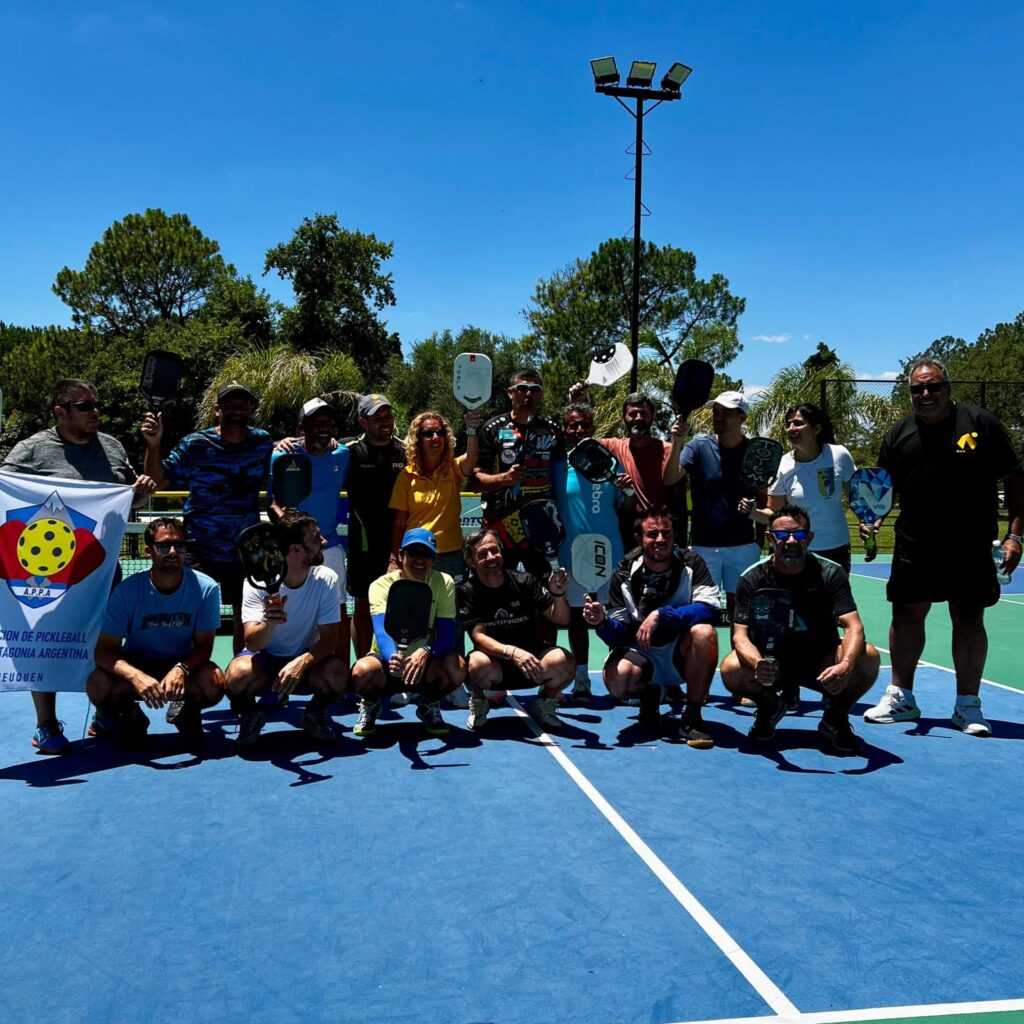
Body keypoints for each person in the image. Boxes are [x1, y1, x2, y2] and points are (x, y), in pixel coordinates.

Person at [862, 357, 1024, 737]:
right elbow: (883, 490)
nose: (926, 394)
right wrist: (877, 519)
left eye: (933, 386)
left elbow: (1016, 477)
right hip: (914, 543)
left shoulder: (979, 424)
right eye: (918, 388)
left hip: (970, 544)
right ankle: (901, 697)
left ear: (947, 388)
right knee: (905, 618)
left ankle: (967, 705)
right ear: (910, 393)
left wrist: (1015, 534)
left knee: (968, 620)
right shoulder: (898, 434)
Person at [0, 377, 157, 754]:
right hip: (45, 574)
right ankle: (46, 725)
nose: (95, 412)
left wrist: (140, 493)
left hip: (100, 570)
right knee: (43, 641)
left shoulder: (112, 448)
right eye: (84, 406)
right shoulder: (31, 451)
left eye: (95, 404)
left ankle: (104, 713)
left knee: (103, 641)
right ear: (60, 412)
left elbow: (126, 501)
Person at [721, 504, 880, 753]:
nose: (792, 541)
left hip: (820, 662)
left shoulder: (831, 573)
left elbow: (854, 627)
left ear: (810, 538)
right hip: (772, 662)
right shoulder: (751, 578)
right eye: (783, 535)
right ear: (770, 538)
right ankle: (770, 707)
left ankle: (835, 718)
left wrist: (846, 665)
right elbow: (739, 636)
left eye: (800, 534)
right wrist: (758, 664)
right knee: (731, 668)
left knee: (868, 657)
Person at [142, 381, 272, 654]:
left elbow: (288, 457)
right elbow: (157, 479)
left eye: (244, 405)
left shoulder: (263, 442)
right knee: (191, 618)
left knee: (246, 618)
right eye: (230, 404)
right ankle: (187, 678)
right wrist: (154, 445)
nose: (238, 409)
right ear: (217, 410)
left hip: (245, 550)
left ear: (251, 411)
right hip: (199, 548)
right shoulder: (195, 444)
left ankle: (241, 677)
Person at [583, 506, 719, 748]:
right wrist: (601, 622)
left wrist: (661, 615)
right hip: (641, 651)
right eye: (652, 534)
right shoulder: (623, 572)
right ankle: (651, 695)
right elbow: (619, 634)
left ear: (675, 536)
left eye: (666, 533)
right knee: (618, 681)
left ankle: (692, 716)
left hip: (679, 651)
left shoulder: (692, 563)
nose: (660, 539)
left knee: (705, 632)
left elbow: (709, 608)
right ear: (639, 538)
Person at [86, 518, 224, 746]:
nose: (173, 552)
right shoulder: (126, 592)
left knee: (214, 682)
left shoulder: (206, 588)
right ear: (149, 551)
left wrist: (181, 668)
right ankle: (131, 716)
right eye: (163, 546)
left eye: (179, 546)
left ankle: (186, 711)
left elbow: (203, 647)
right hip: (138, 662)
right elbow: (103, 651)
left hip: (182, 664)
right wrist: (136, 676)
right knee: (97, 684)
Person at [223, 510, 348, 746]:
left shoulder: (328, 578)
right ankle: (251, 714)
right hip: (265, 660)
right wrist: (270, 623)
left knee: (338, 674)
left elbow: (330, 641)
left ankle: (315, 713)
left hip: (307, 662)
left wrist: (300, 662)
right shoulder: (257, 583)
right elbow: (252, 643)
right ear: (295, 550)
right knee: (235, 677)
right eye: (316, 538)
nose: (323, 542)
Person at [350, 528, 464, 738]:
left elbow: (447, 636)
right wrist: (391, 657)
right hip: (387, 660)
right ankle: (371, 704)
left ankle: (429, 703)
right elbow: (381, 631)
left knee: (457, 667)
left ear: (434, 559)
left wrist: (426, 651)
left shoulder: (444, 583)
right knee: (361, 673)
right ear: (401, 555)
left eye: (426, 554)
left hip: (423, 663)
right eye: (413, 553)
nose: (419, 560)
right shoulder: (380, 585)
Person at [458, 528, 574, 731]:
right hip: (496, 666)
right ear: (470, 562)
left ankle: (545, 701)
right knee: (474, 664)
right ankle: (479, 702)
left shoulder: (525, 581)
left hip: (533, 664)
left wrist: (558, 594)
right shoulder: (468, 591)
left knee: (564, 661)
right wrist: (512, 652)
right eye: (482, 554)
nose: (491, 557)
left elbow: (562, 618)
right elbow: (478, 637)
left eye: (495, 550)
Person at [663, 390, 764, 622]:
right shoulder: (697, 446)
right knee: (699, 613)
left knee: (741, 615)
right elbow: (670, 478)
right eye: (715, 412)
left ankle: (739, 659)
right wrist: (677, 441)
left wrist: (757, 544)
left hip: (743, 547)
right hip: (703, 547)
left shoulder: (754, 453)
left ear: (742, 418)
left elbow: (767, 505)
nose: (718, 417)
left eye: (725, 413)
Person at [556, 403, 631, 702]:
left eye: (584, 425)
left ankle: (619, 676)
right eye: (573, 425)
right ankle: (582, 680)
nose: (579, 430)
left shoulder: (610, 463)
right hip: (571, 554)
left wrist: (625, 489)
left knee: (614, 617)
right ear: (566, 430)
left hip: (609, 552)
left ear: (592, 427)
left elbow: (627, 506)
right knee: (577, 618)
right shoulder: (558, 467)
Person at [268, 397, 351, 659]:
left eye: (328, 422)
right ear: (302, 427)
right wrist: (296, 538)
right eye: (317, 422)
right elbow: (273, 504)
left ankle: (339, 673)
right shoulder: (282, 454)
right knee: (288, 610)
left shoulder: (342, 454)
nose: (324, 427)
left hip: (331, 545)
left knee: (337, 612)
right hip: (292, 550)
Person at [474, 367, 566, 579]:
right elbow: (475, 480)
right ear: (510, 392)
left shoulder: (553, 430)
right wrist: (503, 479)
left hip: (542, 527)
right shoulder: (492, 428)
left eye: (535, 389)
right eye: (522, 388)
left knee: (545, 589)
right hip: (501, 527)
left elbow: (562, 475)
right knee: (499, 587)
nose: (528, 394)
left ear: (541, 394)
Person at [344, 394, 407, 658]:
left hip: (399, 540)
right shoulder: (349, 451)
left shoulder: (406, 451)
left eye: (388, 415)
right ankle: (361, 667)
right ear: (363, 422)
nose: (385, 422)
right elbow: (315, 447)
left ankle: (396, 667)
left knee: (399, 605)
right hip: (364, 542)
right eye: (377, 417)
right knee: (362, 607)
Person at [762, 403, 856, 575]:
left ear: (817, 428)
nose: (791, 428)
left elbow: (856, 500)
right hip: (793, 550)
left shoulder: (839, 455)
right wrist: (752, 512)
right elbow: (774, 512)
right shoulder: (781, 464)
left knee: (831, 602)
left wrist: (869, 522)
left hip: (835, 548)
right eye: (788, 424)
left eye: (798, 423)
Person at [389, 409, 480, 580]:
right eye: (428, 433)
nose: (435, 437)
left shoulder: (454, 468)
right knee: (418, 604)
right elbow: (399, 523)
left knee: (451, 605)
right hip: (417, 553)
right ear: (418, 439)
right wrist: (395, 558)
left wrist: (472, 429)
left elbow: (472, 458)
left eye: (440, 432)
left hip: (450, 554)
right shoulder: (406, 476)